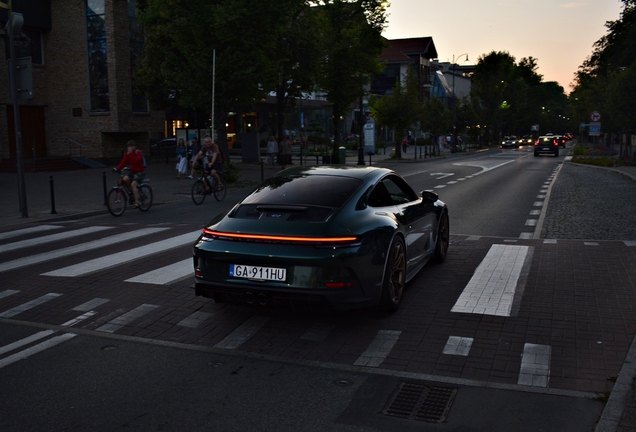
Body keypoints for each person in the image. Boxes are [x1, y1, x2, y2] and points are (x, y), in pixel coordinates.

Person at [115, 140, 145, 208]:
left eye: (131, 146)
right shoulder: (127, 154)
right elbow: (123, 162)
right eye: (129, 146)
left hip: (139, 172)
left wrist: (131, 154)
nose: (130, 148)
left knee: (134, 184)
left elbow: (136, 161)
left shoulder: (138, 153)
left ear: (135, 147)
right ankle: (132, 191)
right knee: (125, 179)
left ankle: (137, 202)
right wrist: (117, 169)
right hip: (132, 171)